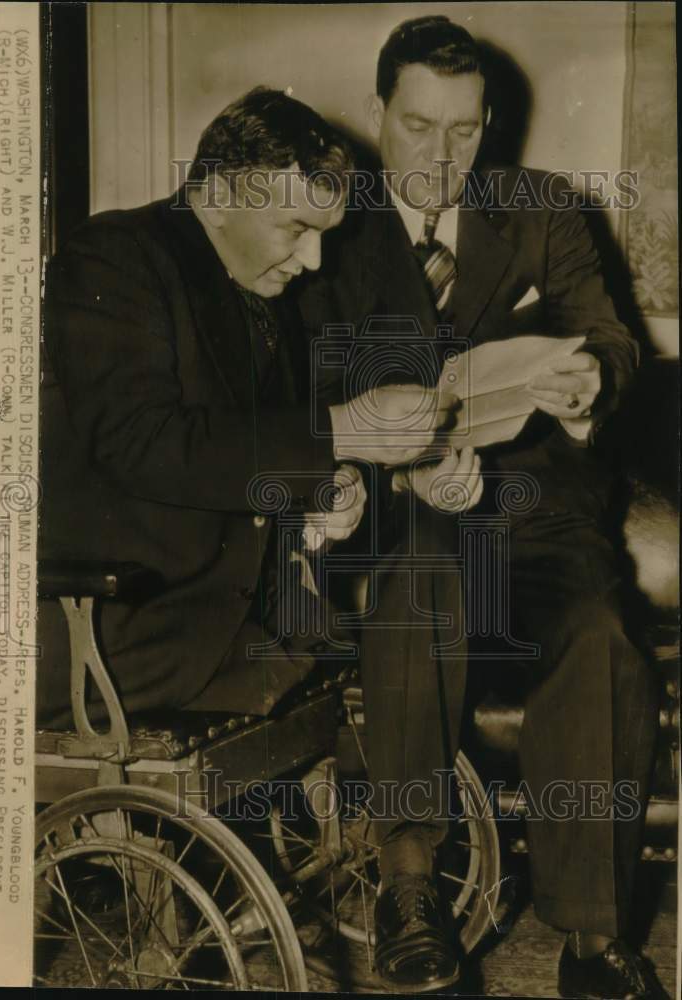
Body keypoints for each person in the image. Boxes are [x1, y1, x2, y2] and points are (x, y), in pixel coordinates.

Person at [298, 18, 664, 998]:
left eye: (463, 130)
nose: (441, 156)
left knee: (601, 636)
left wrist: (587, 381)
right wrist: (402, 467)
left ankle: (593, 939)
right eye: (418, 126)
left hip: (539, 526)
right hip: (397, 526)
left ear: (487, 121)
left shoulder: (542, 210)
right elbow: (302, 397)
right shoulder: (329, 230)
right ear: (381, 113)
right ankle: (411, 886)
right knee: (418, 572)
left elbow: (610, 339)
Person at [37, 87, 455, 730]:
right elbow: (141, 443)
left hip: (235, 616)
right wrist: (339, 434)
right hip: (128, 630)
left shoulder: (262, 284)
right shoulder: (115, 254)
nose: (314, 260)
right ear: (225, 195)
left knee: (408, 631)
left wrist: (325, 495)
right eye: (297, 229)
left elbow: (254, 447)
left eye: (324, 235)